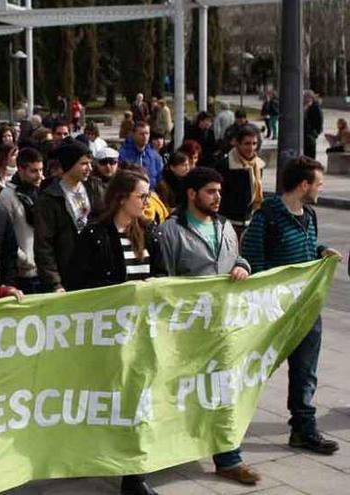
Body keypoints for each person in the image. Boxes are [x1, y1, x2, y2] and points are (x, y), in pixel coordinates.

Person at [157, 166, 260, 485]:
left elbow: (237, 259)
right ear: (192, 194)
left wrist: (242, 266)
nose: (218, 197)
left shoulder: (226, 226)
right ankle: (168, 449)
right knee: (179, 392)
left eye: (219, 191)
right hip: (186, 330)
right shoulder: (170, 231)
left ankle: (229, 458)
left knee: (225, 392)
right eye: (211, 191)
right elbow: (163, 282)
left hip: (223, 328)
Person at [64, 169, 163, 495]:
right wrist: (125, 291)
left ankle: (134, 475)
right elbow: (78, 283)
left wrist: (152, 288)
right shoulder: (94, 235)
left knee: (139, 402)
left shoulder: (150, 234)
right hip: (108, 335)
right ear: (122, 198)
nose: (147, 202)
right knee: (110, 401)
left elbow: (164, 277)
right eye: (142, 196)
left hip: (143, 333)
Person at [241, 156, 342, 455]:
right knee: (252, 371)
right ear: (303, 185)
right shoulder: (266, 217)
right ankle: (226, 423)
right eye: (318, 184)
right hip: (273, 312)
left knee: (305, 372)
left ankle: (303, 428)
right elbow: (255, 263)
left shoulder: (309, 215)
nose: (320, 189)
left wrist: (321, 250)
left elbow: (308, 249)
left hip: (306, 309)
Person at [34, 139, 105, 292]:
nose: (89, 168)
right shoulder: (49, 198)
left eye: (90, 163)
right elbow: (43, 245)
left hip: (95, 273)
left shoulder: (95, 188)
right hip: (66, 274)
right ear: (69, 164)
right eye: (84, 164)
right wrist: (54, 283)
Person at [0, 147, 44, 294]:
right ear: (20, 169)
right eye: (34, 171)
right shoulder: (6, 197)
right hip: (22, 274)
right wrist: (25, 259)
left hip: (43, 269)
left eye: (41, 170)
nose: (39, 176)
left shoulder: (40, 192)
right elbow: (4, 236)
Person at [214, 125, 264, 238]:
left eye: (254, 143)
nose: (251, 148)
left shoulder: (258, 165)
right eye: (247, 143)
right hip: (228, 222)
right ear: (238, 144)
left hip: (250, 221)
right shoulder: (225, 165)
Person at [118, 121, 164, 188]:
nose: (145, 137)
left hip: (150, 193)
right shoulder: (122, 154)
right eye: (141, 134)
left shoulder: (155, 156)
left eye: (147, 133)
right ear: (133, 134)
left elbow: (160, 178)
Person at [303, 90, 323, 159]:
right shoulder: (303, 107)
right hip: (303, 135)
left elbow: (319, 122)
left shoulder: (315, 107)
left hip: (310, 136)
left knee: (310, 156)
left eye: (305, 97)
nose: (304, 98)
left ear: (310, 97)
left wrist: (314, 134)